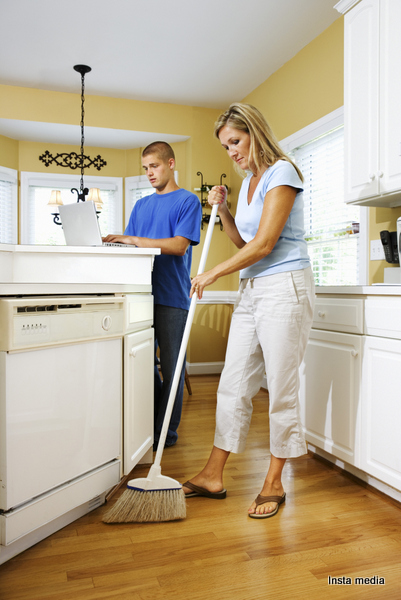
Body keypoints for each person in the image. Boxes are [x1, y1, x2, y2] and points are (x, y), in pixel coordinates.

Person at [182, 103, 315, 518]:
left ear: (254, 133)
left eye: (235, 142)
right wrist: (222, 210)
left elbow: (266, 245)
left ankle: (274, 481)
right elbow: (245, 243)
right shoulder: (253, 181)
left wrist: (212, 274)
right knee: (233, 381)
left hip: (285, 287)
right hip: (253, 288)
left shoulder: (282, 172)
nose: (232, 152)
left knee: (280, 385)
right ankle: (213, 474)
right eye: (225, 147)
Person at [103, 141, 202, 449]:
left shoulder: (188, 201)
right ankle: (149, 425)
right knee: (142, 365)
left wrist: (131, 238)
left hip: (172, 297)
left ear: (171, 164)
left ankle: (166, 435)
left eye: (154, 166)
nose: (149, 173)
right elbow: (133, 248)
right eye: (145, 168)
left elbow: (178, 246)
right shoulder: (142, 205)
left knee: (173, 369)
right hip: (140, 295)